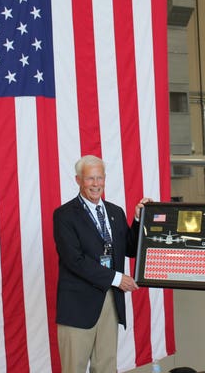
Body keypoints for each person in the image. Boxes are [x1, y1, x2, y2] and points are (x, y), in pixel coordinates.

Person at [53, 155, 151, 372]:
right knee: (74, 368)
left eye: (99, 178)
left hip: (110, 301)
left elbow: (129, 249)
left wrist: (137, 220)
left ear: (105, 179)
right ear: (78, 180)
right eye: (90, 179)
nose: (96, 184)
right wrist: (117, 279)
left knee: (106, 366)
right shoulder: (64, 215)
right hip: (78, 306)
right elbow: (74, 260)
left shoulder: (115, 212)